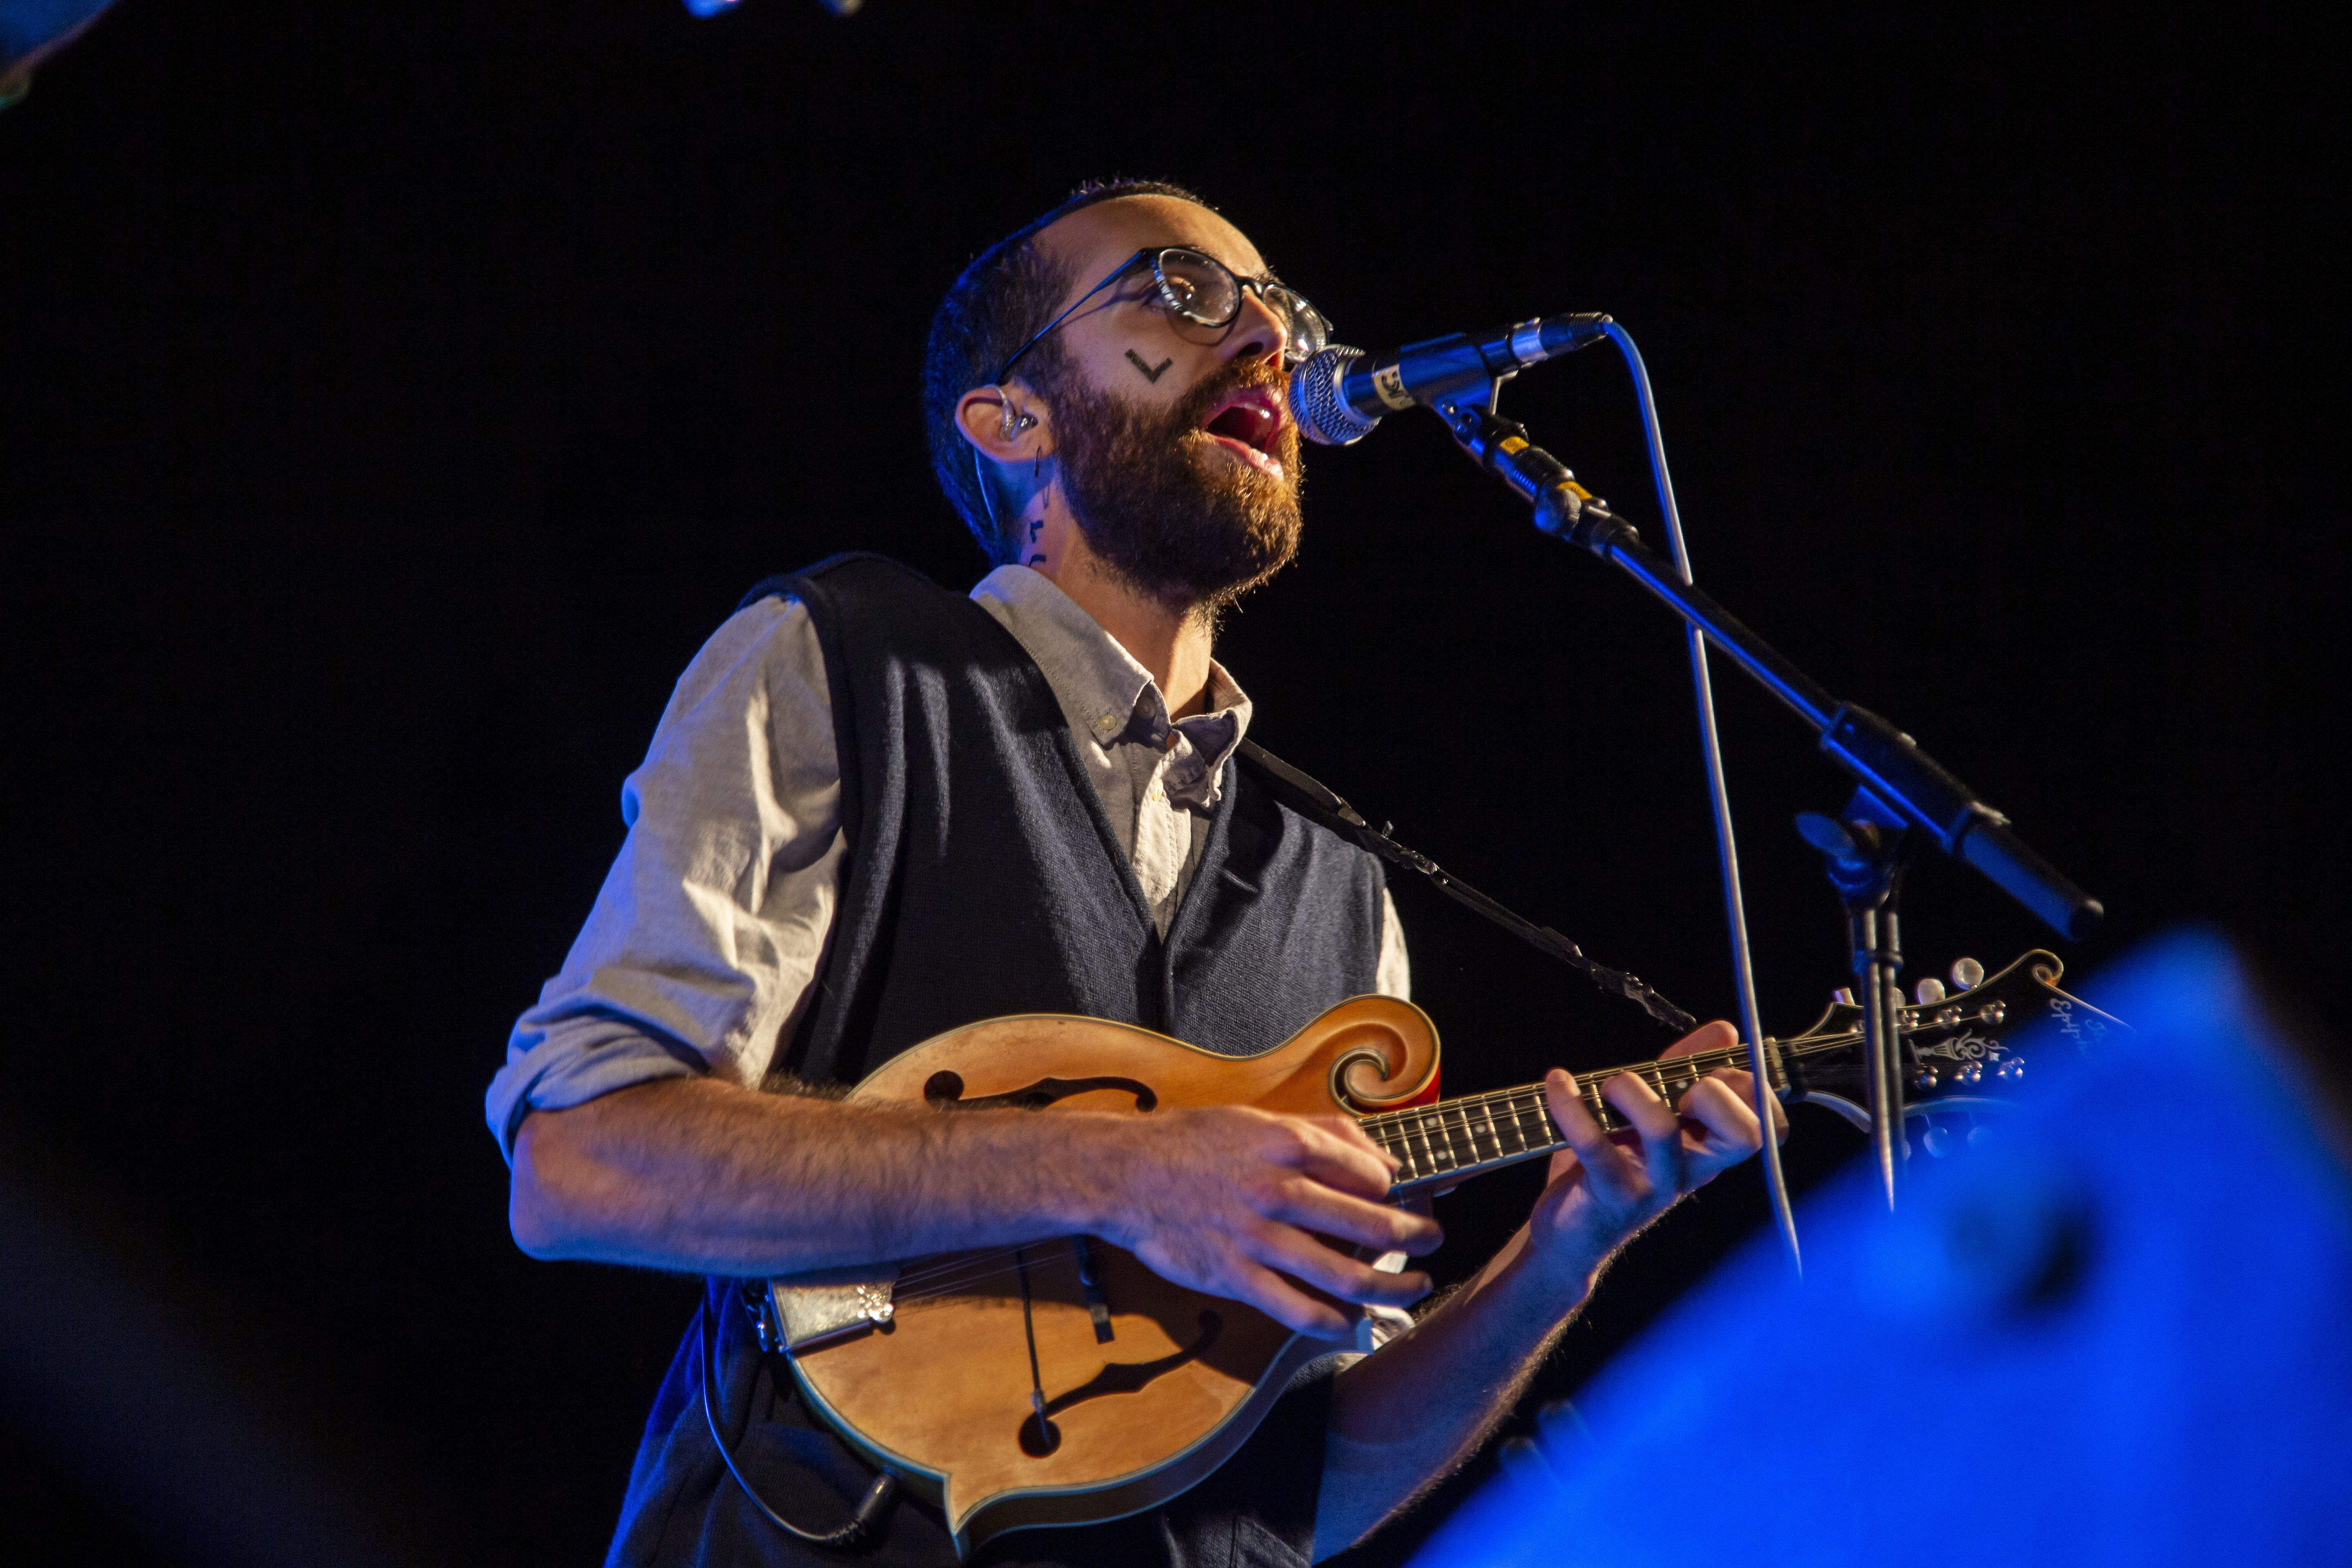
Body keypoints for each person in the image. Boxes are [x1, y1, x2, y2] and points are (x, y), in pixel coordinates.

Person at [487, 180, 1782, 1568]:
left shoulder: (1342, 895)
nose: (1268, 344)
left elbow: (1297, 1488)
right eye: (1183, 291)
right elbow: (580, 1163)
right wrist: (1118, 1172)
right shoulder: (845, 663)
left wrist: (1564, 1254)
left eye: (1280, 313)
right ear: (1013, 418)